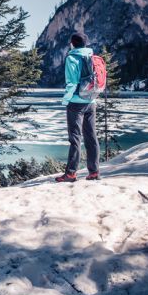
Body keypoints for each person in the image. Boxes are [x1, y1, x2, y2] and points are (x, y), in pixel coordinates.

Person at [56, 32, 100, 183]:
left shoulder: (72, 58)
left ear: (72, 44)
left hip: (76, 102)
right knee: (91, 137)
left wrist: (66, 100)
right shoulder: (92, 57)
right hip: (91, 101)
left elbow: (72, 83)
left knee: (75, 138)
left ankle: (71, 173)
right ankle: (94, 172)